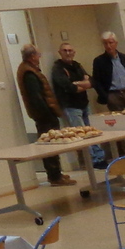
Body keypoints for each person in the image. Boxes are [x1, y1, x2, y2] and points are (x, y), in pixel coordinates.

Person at [16, 44, 74, 186]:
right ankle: (54, 176)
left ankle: (56, 173)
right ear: (32, 56)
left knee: (52, 146)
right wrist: (48, 114)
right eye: (38, 54)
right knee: (49, 146)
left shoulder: (29, 69)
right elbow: (36, 97)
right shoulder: (29, 73)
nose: (39, 57)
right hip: (44, 116)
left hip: (45, 114)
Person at [91, 30, 125, 161]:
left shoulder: (124, 58)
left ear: (116, 43)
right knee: (118, 125)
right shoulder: (99, 61)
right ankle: (121, 153)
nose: (108, 46)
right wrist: (106, 96)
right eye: (105, 43)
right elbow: (96, 81)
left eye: (111, 42)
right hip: (113, 94)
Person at [50, 42, 103, 169]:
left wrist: (78, 83)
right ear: (60, 53)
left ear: (74, 52)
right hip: (71, 106)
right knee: (81, 134)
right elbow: (68, 87)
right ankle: (92, 161)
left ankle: (100, 158)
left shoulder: (77, 66)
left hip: (84, 103)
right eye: (65, 50)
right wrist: (82, 84)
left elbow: (91, 82)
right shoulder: (57, 68)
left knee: (91, 132)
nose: (68, 53)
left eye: (70, 50)